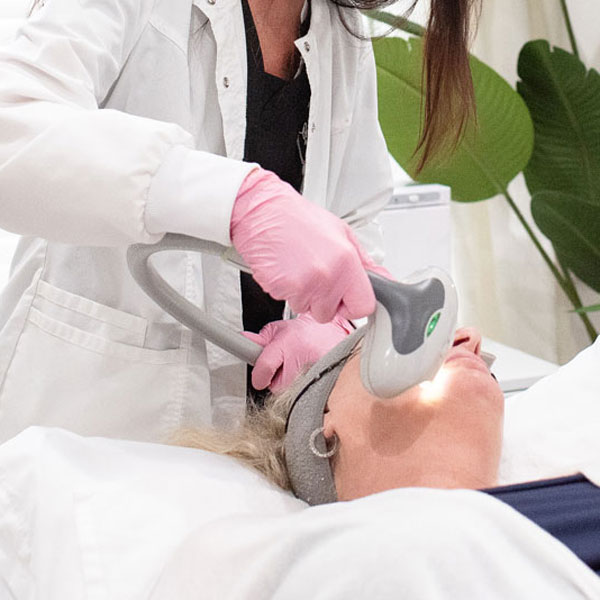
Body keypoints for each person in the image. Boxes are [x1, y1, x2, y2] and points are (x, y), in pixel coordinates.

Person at [0, 0, 477, 443]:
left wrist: (336, 333)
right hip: (91, 440)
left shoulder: (336, 32)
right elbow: (13, 133)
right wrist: (232, 200)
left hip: (256, 458)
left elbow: (356, 217)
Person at [176, 326, 600, 576]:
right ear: (325, 415)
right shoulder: (306, 566)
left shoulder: (575, 500)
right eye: (400, 341)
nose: (469, 338)